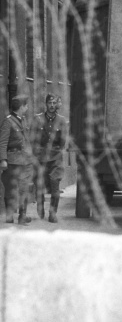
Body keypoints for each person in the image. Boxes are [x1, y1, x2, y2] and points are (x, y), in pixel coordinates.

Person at [31, 93, 68, 223]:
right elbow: (33, 138)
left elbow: (63, 141)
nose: (51, 106)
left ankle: (53, 213)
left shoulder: (62, 120)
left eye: (54, 103)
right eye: (49, 103)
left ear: (57, 105)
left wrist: (56, 151)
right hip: (40, 157)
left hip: (55, 158)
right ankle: (40, 206)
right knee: (39, 184)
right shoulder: (38, 119)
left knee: (55, 184)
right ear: (46, 104)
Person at [0, 94, 34, 224]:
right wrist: (3, 159)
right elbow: (2, 142)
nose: (27, 108)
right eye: (26, 105)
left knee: (24, 188)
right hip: (12, 161)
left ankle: (22, 216)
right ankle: (9, 216)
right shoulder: (8, 121)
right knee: (10, 188)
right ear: (22, 107)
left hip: (25, 161)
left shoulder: (23, 120)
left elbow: (26, 140)